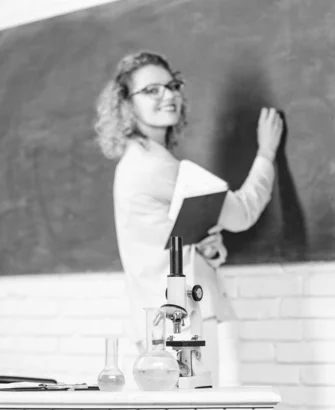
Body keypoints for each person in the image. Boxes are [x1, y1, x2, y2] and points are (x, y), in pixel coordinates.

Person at [93, 51, 283, 387]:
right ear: (126, 104)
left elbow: (169, 239)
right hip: (182, 325)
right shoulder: (157, 166)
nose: (168, 95)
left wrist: (205, 247)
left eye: (172, 85)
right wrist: (266, 153)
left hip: (161, 324)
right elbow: (241, 213)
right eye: (151, 90)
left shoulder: (137, 161)